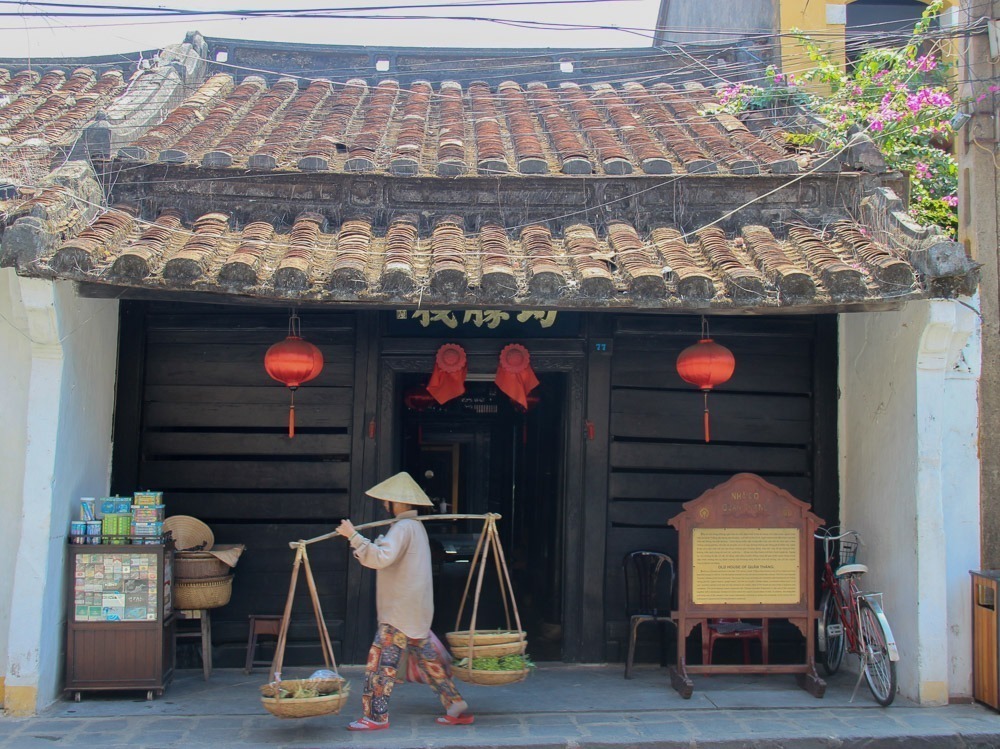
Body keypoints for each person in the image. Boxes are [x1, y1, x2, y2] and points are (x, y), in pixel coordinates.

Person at [336, 471, 473, 731]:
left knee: (380, 664)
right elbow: (389, 555)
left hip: (399, 612)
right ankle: (456, 705)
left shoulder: (402, 527)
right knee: (428, 660)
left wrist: (353, 536)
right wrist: (371, 542)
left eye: (387, 501)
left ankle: (376, 716)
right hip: (415, 609)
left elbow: (379, 559)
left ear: (396, 503)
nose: (385, 505)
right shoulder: (413, 527)